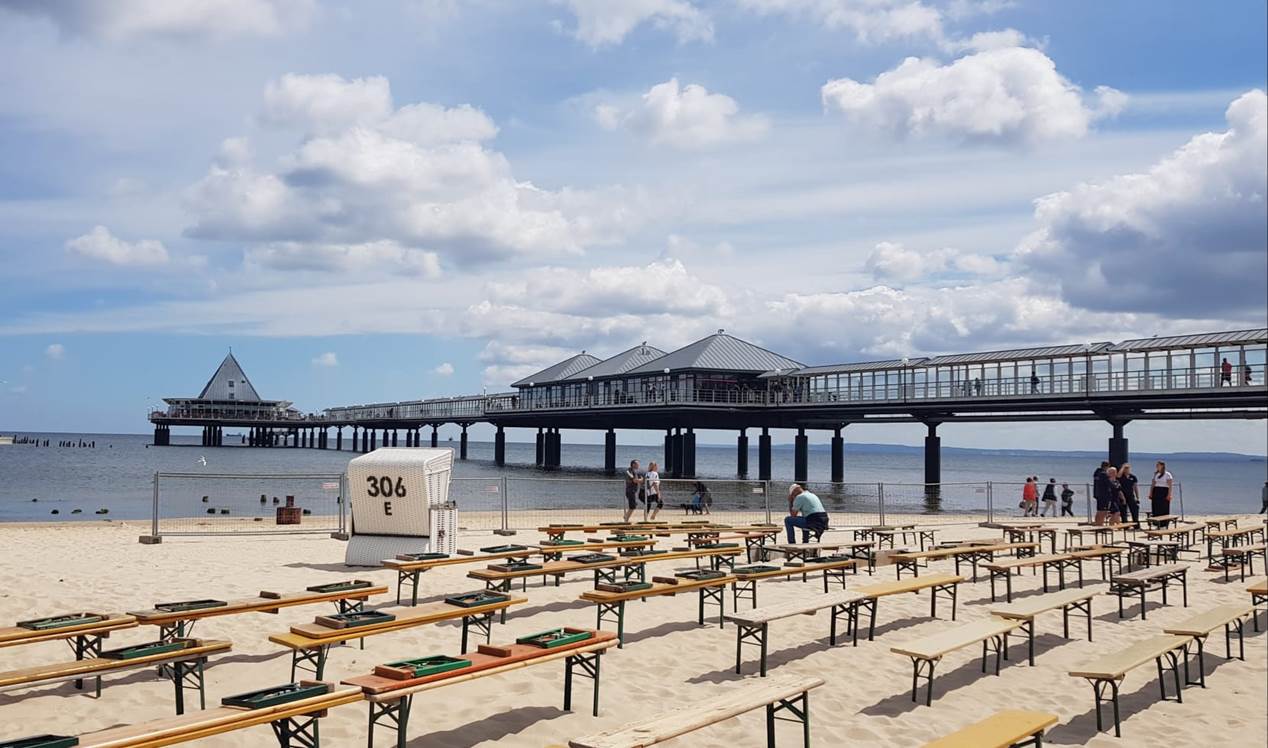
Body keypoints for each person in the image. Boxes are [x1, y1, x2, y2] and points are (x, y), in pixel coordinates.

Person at [1092, 461, 1111, 525]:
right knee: (1103, 511)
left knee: (1099, 510)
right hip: (1104, 495)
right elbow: (1109, 484)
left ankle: (1097, 523)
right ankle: (1100, 524)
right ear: (1107, 467)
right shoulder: (1103, 474)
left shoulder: (1097, 473)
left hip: (1098, 494)